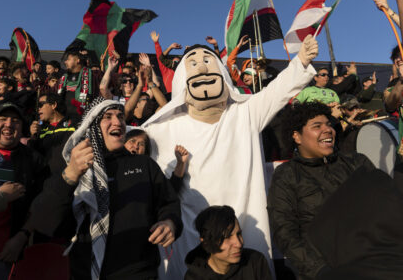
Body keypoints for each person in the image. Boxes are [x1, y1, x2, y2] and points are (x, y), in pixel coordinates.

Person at [141, 35, 319, 279]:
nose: (203, 67)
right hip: (191, 237)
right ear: (183, 78)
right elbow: (121, 140)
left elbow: (278, 90)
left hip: (245, 229)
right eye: (193, 63)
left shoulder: (245, 112)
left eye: (208, 60)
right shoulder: (163, 128)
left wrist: (301, 61)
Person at [30, 97, 182, 280]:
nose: (117, 122)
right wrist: (70, 175)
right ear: (93, 126)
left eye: (120, 116)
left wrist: (169, 222)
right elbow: (43, 221)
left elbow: (169, 202)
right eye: (107, 117)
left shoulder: (144, 164)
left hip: (139, 272)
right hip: (85, 272)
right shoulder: (75, 166)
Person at [267, 102, 375, 280]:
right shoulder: (287, 175)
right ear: (297, 137)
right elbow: (284, 232)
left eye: (329, 124)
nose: (327, 130)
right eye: (317, 126)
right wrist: (320, 271)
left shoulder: (357, 162)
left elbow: (384, 207)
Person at [0, 102, 49, 279]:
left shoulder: (34, 160)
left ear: (22, 128)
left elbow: (41, 203)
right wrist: (3, 196)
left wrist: (22, 236)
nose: (9, 124)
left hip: (2, 258)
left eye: (15, 120)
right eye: (2, 119)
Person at [185, 205, 272, 280]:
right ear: (206, 243)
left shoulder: (255, 262)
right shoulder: (194, 277)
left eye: (239, 234)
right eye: (227, 237)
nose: (239, 244)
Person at [28, 93, 75, 173]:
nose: (38, 109)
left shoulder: (74, 123)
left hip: (71, 179)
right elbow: (32, 157)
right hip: (46, 180)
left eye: (41, 105)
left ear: (53, 105)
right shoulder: (40, 129)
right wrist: (33, 136)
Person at [58, 50, 102, 125]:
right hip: (65, 121)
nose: (65, 62)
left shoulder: (93, 75)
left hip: (85, 121)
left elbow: (111, 79)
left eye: (68, 59)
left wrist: (112, 66)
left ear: (78, 60)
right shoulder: (63, 78)